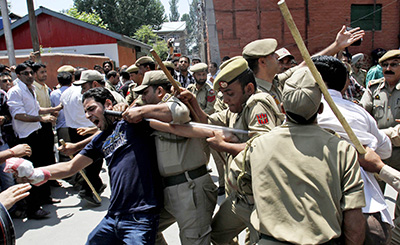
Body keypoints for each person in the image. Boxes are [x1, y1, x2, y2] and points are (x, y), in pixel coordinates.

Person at [9, 87, 163, 244]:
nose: (88, 116)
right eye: (86, 112)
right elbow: (70, 167)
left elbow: (170, 113)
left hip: (140, 216)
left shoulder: (132, 124)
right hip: (113, 215)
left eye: (91, 109)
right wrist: (33, 172)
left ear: (108, 104)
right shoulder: (99, 140)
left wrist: (136, 110)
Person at [249, 67, 366, 244]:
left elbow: (237, 186)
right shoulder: (342, 150)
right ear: (320, 109)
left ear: (282, 107)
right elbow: (354, 223)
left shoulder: (258, 145)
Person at [179, 56, 284, 244]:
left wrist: (223, 146)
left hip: (260, 197)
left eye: (230, 94)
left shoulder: (257, 104)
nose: (225, 100)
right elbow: (207, 123)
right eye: (223, 95)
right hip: (240, 196)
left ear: (249, 89)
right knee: (218, 234)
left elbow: (265, 147)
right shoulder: (234, 108)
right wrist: (193, 102)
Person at [124, 70, 218, 244]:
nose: (142, 98)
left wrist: (143, 111)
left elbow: (180, 114)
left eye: (145, 93)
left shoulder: (176, 104)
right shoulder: (153, 111)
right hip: (167, 190)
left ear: (159, 91)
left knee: (194, 240)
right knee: (145, 230)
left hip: (190, 189)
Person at [315, 55, 392, 244]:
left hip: (314, 202)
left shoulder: (300, 113)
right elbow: (385, 150)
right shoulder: (359, 112)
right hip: (366, 204)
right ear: (345, 84)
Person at [7, 62, 60, 219]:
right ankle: (33, 208)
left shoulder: (31, 89)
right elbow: (18, 115)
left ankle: (44, 198)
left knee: (41, 166)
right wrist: (41, 118)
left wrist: (52, 110)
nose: (29, 76)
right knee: (29, 172)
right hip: (26, 136)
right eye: (25, 74)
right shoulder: (15, 91)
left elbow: (36, 109)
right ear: (18, 76)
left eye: (31, 73)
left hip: (36, 133)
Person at [360, 49, 400, 243]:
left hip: (398, 152)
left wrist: (377, 135)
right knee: (374, 199)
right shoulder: (373, 88)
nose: (388, 69)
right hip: (378, 154)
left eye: (393, 65)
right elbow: (362, 114)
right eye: (385, 65)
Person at [50, 71, 73, 162]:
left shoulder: (54, 94)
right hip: (75, 125)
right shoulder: (75, 91)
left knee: (65, 152)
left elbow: (53, 110)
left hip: (62, 126)